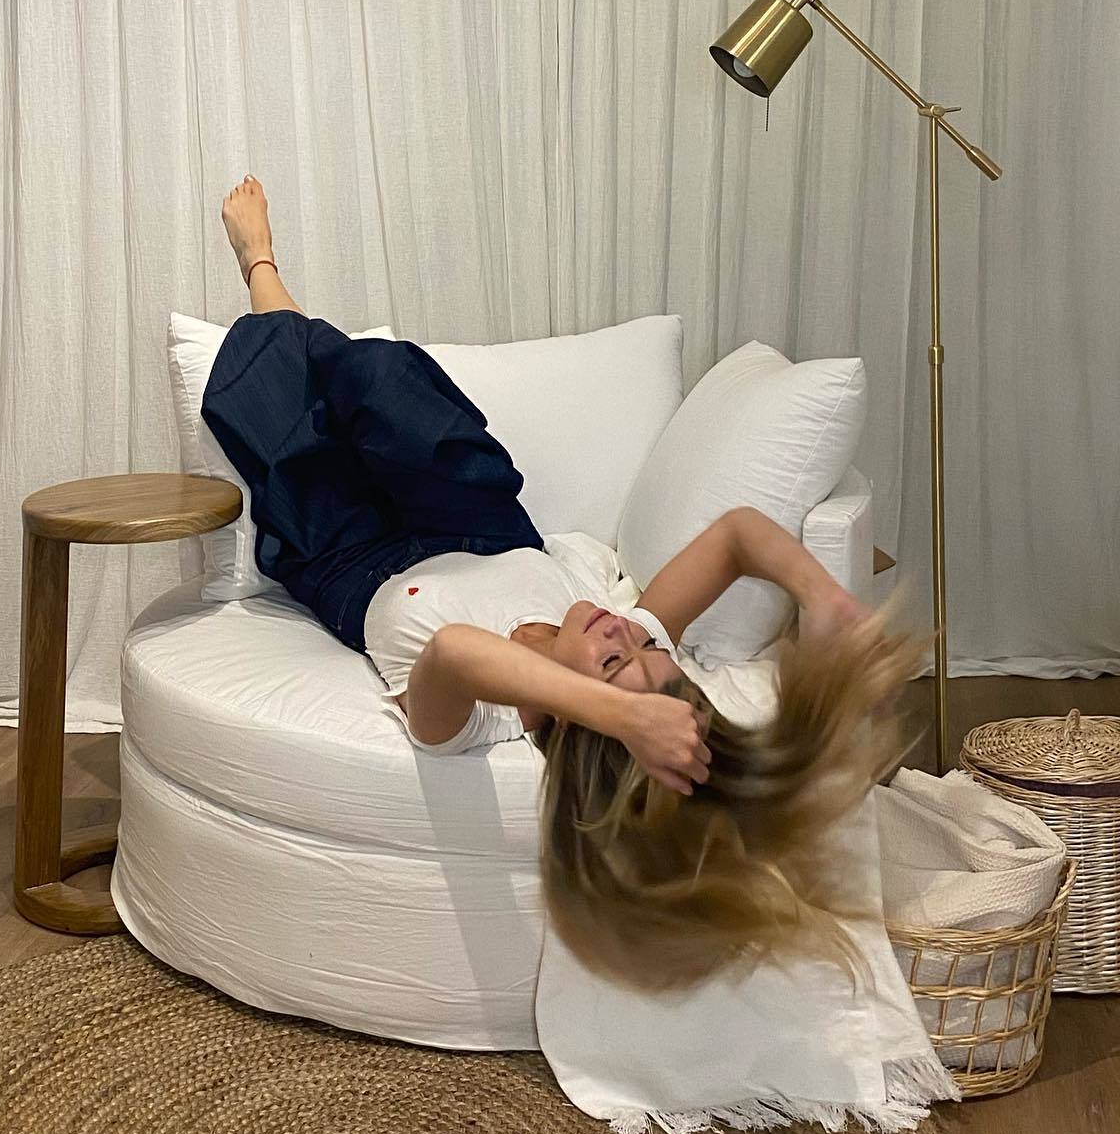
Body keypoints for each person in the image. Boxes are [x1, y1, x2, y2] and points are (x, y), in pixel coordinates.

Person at [204, 177, 920, 989]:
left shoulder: (482, 720)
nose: (625, 634)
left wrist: (622, 715)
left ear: (576, 712)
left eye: (615, 665)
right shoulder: (629, 640)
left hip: (350, 561)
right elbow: (737, 534)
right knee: (377, 378)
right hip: (479, 523)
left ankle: (260, 263)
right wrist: (828, 601)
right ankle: (282, 298)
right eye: (651, 655)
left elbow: (453, 651)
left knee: (272, 413)